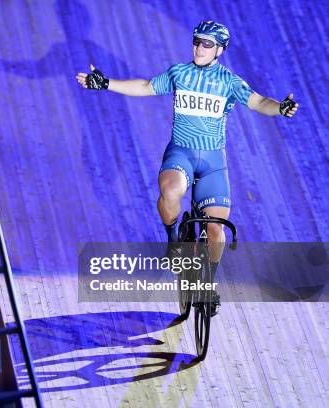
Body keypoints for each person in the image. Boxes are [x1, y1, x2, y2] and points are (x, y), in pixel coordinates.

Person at [76, 21, 299, 314]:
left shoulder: (229, 81)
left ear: (220, 49)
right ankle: (172, 238)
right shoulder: (179, 73)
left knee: (216, 231)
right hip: (181, 154)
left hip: (213, 163)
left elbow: (259, 102)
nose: (199, 47)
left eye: (207, 44)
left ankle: (208, 286)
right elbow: (145, 86)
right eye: (197, 41)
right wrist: (106, 83)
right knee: (170, 192)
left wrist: (279, 107)